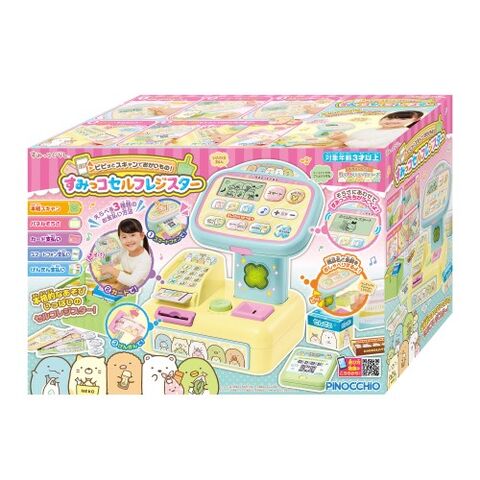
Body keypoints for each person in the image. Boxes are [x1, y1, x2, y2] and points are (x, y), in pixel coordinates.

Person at [100, 218, 151, 288]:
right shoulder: (124, 250)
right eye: (124, 237)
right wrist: (108, 265)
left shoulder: (144, 260)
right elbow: (116, 260)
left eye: (132, 235)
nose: (129, 240)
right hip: (125, 283)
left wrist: (111, 270)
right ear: (119, 238)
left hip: (138, 288)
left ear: (141, 235)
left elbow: (131, 281)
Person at [329, 110, 424, 148]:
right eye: (390, 118)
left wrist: (344, 139)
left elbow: (373, 145)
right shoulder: (372, 129)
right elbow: (353, 138)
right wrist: (342, 137)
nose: (392, 121)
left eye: (401, 119)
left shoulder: (401, 132)